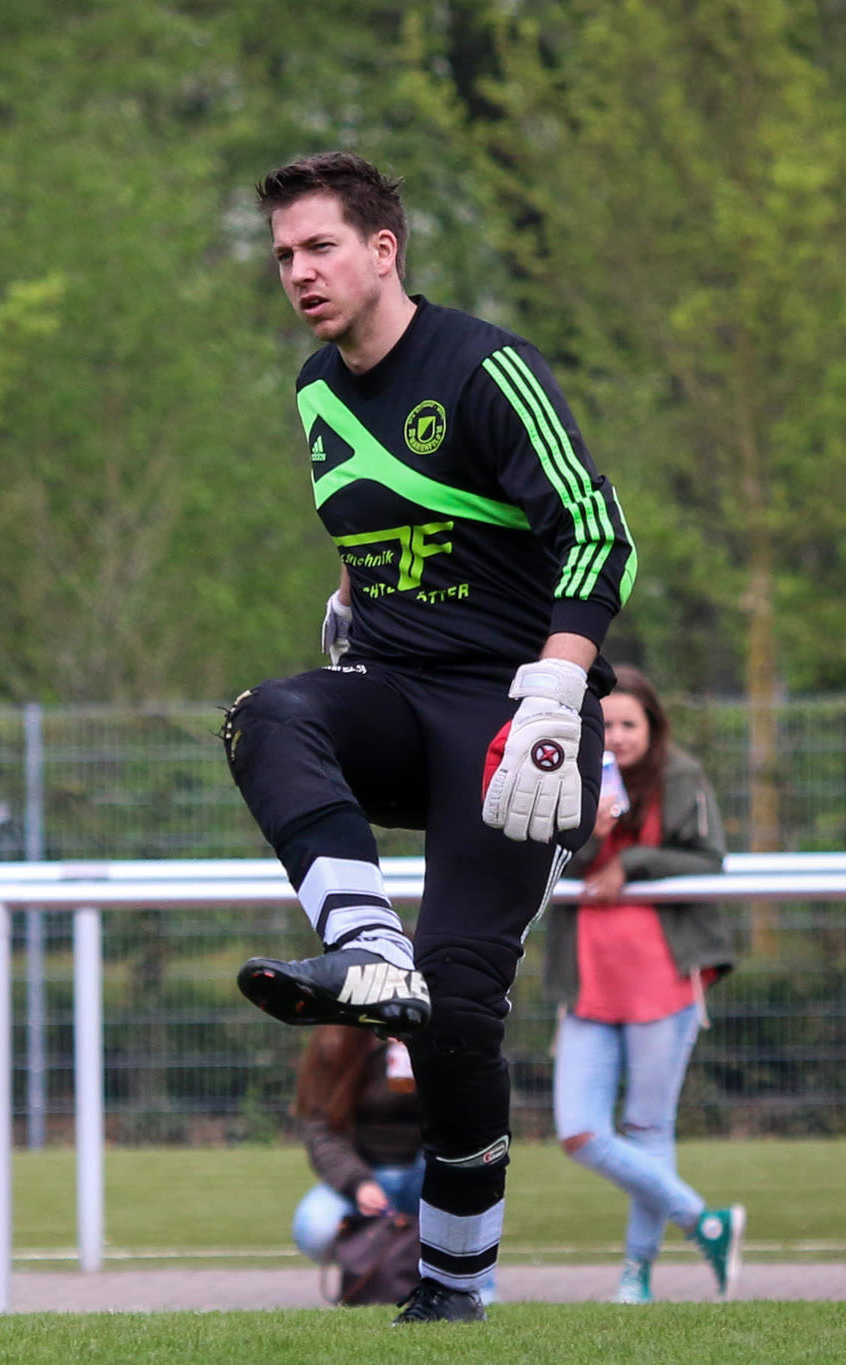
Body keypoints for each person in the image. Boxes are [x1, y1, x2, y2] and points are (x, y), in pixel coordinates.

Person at [219, 151, 636, 1323]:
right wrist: (351, 600)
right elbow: (383, 531)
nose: (296, 272)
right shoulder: (314, 390)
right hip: (398, 696)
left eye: (317, 247)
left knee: (455, 1011)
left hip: (519, 727)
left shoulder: (484, 366)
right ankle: (367, 948)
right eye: (282, 255)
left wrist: (556, 690)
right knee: (267, 713)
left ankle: (451, 1292)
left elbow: (595, 534)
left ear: (382, 248)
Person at [547, 664, 742, 1303]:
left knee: (648, 1128)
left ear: (653, 727)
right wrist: (590, 836)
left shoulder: (681, 777)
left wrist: (633, 861)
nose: (618, 737)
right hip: (588, 980)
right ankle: (704, 1220)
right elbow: (538, 867)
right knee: (579, 1131)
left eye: (630, 724)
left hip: (663, 977)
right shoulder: (562, 776)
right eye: (605, 726)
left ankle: (636, 1278)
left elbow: (708, 859)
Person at [290, 1027, 423, 1269]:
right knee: (316, 1228)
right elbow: (322, 1133)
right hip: (365, 1173)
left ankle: (467, 1284)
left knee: (460, 1213)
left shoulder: (444, 1025)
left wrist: (424, 1055)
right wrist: (358, 1183)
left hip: (429, 1172)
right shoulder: (336, 1037)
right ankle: (376, 1277)